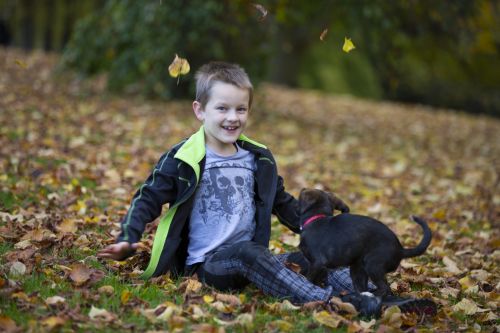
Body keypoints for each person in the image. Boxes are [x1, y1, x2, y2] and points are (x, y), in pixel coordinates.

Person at [97, 62, 435, 317]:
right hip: (210, 266)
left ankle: (382, 297)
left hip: (258, 261)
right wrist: (129, 235)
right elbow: (149, 196)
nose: (232, 118)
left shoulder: (257, 158)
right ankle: (338, 304)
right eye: (222, 108)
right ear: (200, 111)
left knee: (314, 258)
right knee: (249, 254)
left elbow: (286, 205)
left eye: (240, 109)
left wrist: (326, 227)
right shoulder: (183, 159)